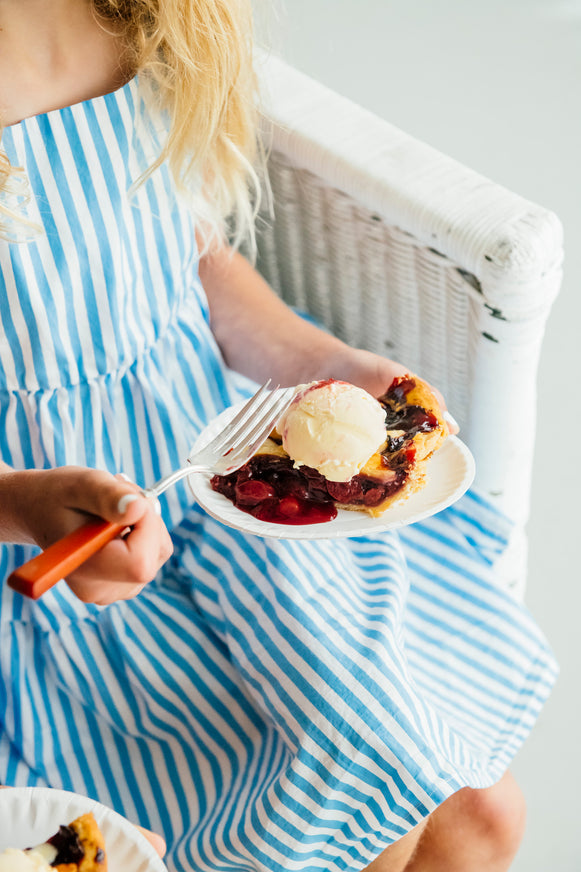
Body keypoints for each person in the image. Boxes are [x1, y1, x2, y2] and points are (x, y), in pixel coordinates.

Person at [0, 2, 557, 871]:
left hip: (215, 483)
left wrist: (321, 361)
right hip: (60, 578)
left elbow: (189, 256)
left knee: (478, 818)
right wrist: (22, 503)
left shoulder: (140, 20)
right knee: (354, 822)